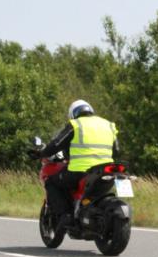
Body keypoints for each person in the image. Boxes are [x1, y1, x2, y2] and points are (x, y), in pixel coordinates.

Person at [35, 99, 119, 235]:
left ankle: (64, 215)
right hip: (106, 170)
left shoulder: (76, 124)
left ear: (73, 114)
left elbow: (57, 144)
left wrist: (42, 153)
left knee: (51, 182)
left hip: (80, 171)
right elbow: (116, 150)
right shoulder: (108, 124)